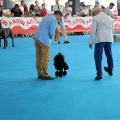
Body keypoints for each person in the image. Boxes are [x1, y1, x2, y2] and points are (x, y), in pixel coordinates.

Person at [33, 10, 62, 80]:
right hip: (44, 40)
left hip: (36, 38)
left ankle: (39, 73)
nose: (59, 19)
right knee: (45, 58)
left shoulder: (46, 17)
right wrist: (52, 38)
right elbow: (51, 32)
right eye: (59, 17)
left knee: (38, 58)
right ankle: (45, 75)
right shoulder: (54, 20)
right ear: (58, 15)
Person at [89, 7, 114, 80]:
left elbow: (93, 31)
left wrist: (91, 42)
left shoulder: (96, 18)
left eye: (93, 13)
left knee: (98, 57)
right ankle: (110, 69)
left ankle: (99, 74)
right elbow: (112, 29)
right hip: (109, 38)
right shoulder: (109, 17)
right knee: (109, 54)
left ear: (96, 12)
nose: (93, 14)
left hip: (100, 38)